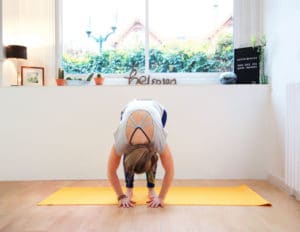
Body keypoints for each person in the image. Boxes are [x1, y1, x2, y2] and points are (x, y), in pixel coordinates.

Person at [107, 99, 174, 208]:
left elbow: (170, 170)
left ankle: (151, 190)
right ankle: (129, 190)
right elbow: (111, 170)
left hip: (157, 111)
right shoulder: (121, 141)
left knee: (153, 151)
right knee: (129, 152)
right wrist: (121, 196)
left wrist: (161, 197)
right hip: (128, 110)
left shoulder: (157, 140)